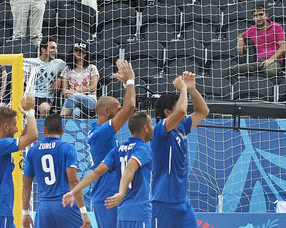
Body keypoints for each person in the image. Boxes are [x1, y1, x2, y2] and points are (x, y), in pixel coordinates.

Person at [63, 112, 153, 227]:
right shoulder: (143, 148)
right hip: (140, 211)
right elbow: (130, 167)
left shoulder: (118, 149)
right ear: (145, 128)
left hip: (123, 212)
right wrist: (121, 192)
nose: (152, 128)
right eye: (151, 124)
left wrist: (73, 192)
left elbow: (96, 172)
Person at [151, 72, 210, 228]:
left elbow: (203, 112)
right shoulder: (160, 130)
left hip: (182, 201)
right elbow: (182, 112)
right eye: (179, 104)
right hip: (163, 201)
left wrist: (192, 89)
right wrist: (182, 89)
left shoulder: (182, 128)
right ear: (168, 112)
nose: (184, 106)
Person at [83, 59, 136, 228]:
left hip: (111, 194)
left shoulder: (98, 130)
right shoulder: (102, 133)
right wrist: (130, 81)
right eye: (117, 107)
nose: (121, 109)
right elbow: (130, 108)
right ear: (107, 112)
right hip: (106, 197)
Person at [22, 113, 91, 228]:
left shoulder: (33, 151)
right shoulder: (67, 148)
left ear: (44, 130)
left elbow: (27, 184)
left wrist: (25, 213)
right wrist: (83, 211)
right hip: (65, 204)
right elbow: (73, 181)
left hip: (44, 208)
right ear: (62, 131)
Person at [0, 95, 38, 228]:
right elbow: (33, 136)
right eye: (14, 125)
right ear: (6, 127)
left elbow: (23, 137)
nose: (17, 129)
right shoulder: (0, 146)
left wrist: (28, 120)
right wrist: (30, 112)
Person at [226, 4, 286, 83]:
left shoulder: (276, 27)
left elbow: (283, 47)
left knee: (270, 72)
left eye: (261, 14)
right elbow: (241, 35)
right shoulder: (252, 29)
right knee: (231, 71)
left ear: (266, 15)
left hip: (274, 61)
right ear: (253, 18)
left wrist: (271, 59)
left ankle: (268, 93)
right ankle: (238, 91)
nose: (258, 18)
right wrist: (240, 40)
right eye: (255, 16)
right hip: (260, 63)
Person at [23, 36, 66, 117]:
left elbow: (68, 71)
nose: (55, 51)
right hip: (29, 96)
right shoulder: (31, 62)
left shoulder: (59, 63)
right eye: (52, 48)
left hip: (45, 98)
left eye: (56, 48)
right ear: (43, 49)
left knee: (45, 109)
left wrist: (59, 78)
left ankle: (39, 128)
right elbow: (20, 78)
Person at [60, 42, 99, 118]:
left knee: (75, 96)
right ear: (73, 52)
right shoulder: (67, 69)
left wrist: (75, 92)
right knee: (75, 112)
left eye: (82, 51)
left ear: (85, 54)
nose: (79, 53)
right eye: (77, 50)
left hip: (90, 100)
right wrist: (77, 93)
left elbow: (93, 87)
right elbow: (64, 91)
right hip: (72, 102)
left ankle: (59, 120)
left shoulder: (92, 68)